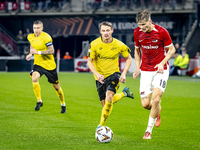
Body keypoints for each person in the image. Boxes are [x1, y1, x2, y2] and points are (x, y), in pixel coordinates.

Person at [132, 10, 176, 139]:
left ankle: (148, 132)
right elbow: (137, 51)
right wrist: (137, 68)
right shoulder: (137, 32)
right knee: (146, 105)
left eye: (144, 24)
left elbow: (172, 49)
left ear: (150, 21)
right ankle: (157, 110)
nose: (142, 27)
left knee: (156, 99)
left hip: (160, 70)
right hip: (145, 70)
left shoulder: (162, 31)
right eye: (140, 24)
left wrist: (162, 63)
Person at [87, 21, 134, 131]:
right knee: (106, 105)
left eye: (108, 30)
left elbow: (129, 58)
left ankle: (100, 126)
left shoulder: (119, 44)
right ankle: (124, 93)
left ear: (112, 30)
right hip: (99, 77)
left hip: (114, 74)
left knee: (109, 97)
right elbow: (90, 61)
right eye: (103, 31)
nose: (106, 33)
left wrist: (123, 73)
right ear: (100, 32)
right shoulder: (94, 44)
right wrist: (97, 74)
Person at [26, 20, 66, 113]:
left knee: (56, 87)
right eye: (35, 28)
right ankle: (39, 101)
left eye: (38, 28)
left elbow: (52, 51)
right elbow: (32, 46)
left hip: (49, 65)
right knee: (34, 78)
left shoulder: (46, 37)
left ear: (42, 28)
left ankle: (63, 104)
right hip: (38, 63)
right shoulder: (30, 36)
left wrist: (38, 52)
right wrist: (30, 54)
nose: (36, 30)